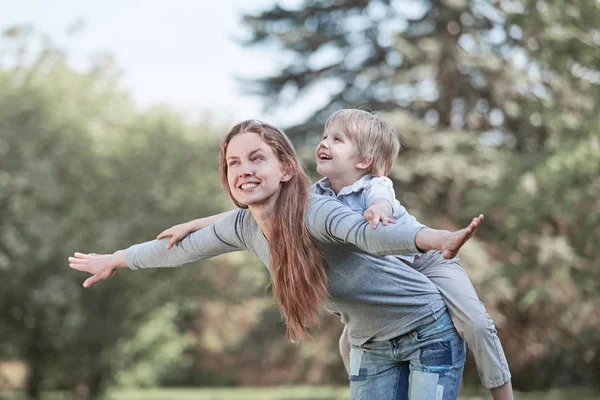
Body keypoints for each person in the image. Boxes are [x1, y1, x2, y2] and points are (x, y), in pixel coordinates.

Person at [69, 120, 483, 399]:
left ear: (285, 168)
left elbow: (371, 235)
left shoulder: (316, 210)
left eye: (256, 158)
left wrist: (439, 238)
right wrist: (118, 258)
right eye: (234, 162)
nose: (243, 170)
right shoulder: (242, 226)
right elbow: (179, 249)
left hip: (426, 329)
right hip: (368, 342)